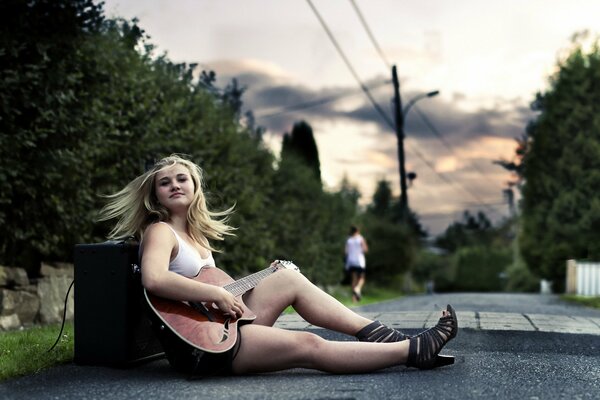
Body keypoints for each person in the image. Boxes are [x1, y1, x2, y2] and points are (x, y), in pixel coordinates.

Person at [98, 154, 458, 376]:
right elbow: (155, 280)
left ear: (195, 188)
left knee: (287, 276)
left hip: (220, 328)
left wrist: (261, 279)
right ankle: (412, 351)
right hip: (202, 351)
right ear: (155, 194)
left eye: (182, 179)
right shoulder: (160, 231)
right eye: (165, 182)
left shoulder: (198, 238)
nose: (174, 185)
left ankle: (382, 336)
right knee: (307, 345)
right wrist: (215, 293)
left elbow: (216, 295)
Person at [345, 225, 368, 302]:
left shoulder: (349, 240)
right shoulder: (360, 238)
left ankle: (354, 298)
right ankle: (357, 288)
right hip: (359, 261)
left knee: (353, 279)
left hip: (351, 261)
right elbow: (365, 249)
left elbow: (346, 252)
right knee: (362, 278)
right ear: (358, 231)